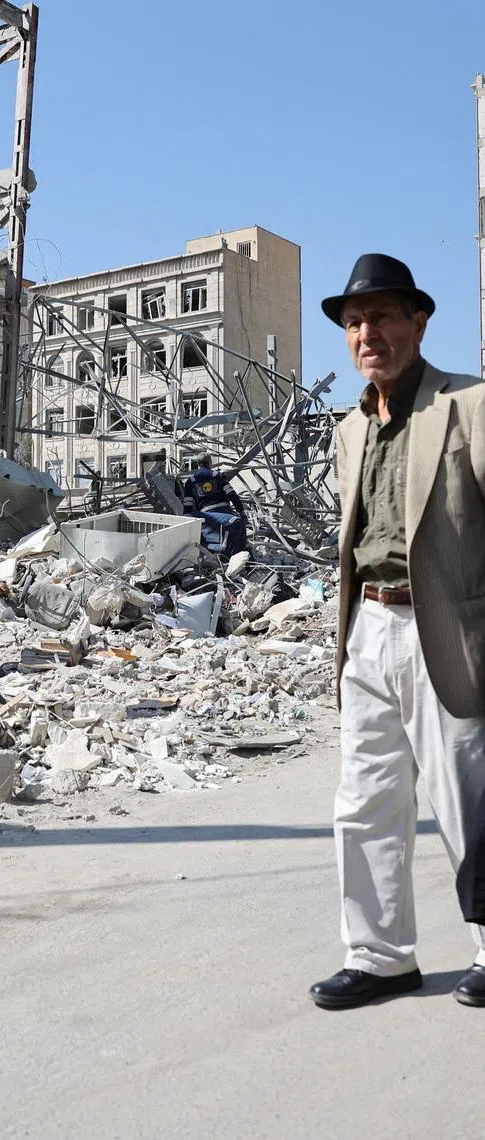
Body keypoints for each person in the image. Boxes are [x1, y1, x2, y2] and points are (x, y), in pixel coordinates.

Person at [310, 252, 485, 1010]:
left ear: (419, 321)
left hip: (447, 629)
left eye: (381, 316)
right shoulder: (352, 426)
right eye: (354, 322)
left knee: (467, 799)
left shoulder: (469, 404)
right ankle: (380, 957)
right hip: (368, 630)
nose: (366, 332)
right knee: (365, 802)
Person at [180, 453, 248, 556]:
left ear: (198, 464)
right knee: (238, 526)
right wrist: (241, 511)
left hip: (207, 516)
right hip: (225, 512)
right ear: (210, 463)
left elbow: (187, 505)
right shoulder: (218, 476)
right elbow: (232, 495)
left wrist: (187, 522)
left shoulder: (191, 481)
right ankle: (238, 555)